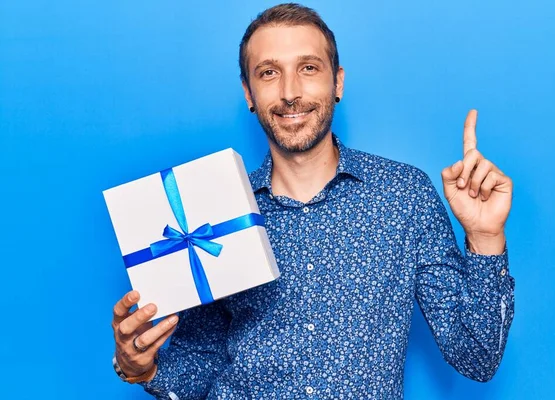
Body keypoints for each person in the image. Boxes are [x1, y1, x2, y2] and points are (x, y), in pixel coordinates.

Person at [111, 3, 515, 399]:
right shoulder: (215, 213)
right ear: (248, 93)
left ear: (337, 83)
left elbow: (477, 358)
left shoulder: (403, 195)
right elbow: (197, 366)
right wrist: (141, 367)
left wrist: (485, 237)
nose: (290, 93)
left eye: (308, 68)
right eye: (269, 73)